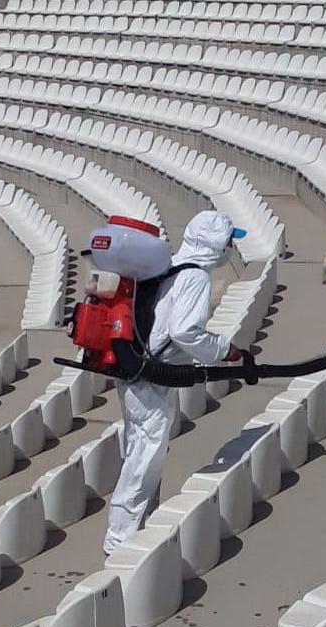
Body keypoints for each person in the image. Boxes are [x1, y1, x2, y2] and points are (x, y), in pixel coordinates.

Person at [103, 211, 244, 555]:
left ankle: (140, 523)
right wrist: (222, 349)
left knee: (142, 446)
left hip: (138, 369)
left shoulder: (172, 265)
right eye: (229, 241)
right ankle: (120, 539)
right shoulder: (195, 277)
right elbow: (183, 331)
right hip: (149, 375)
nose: (231, 248)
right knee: (145, 451)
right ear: (215, 244)